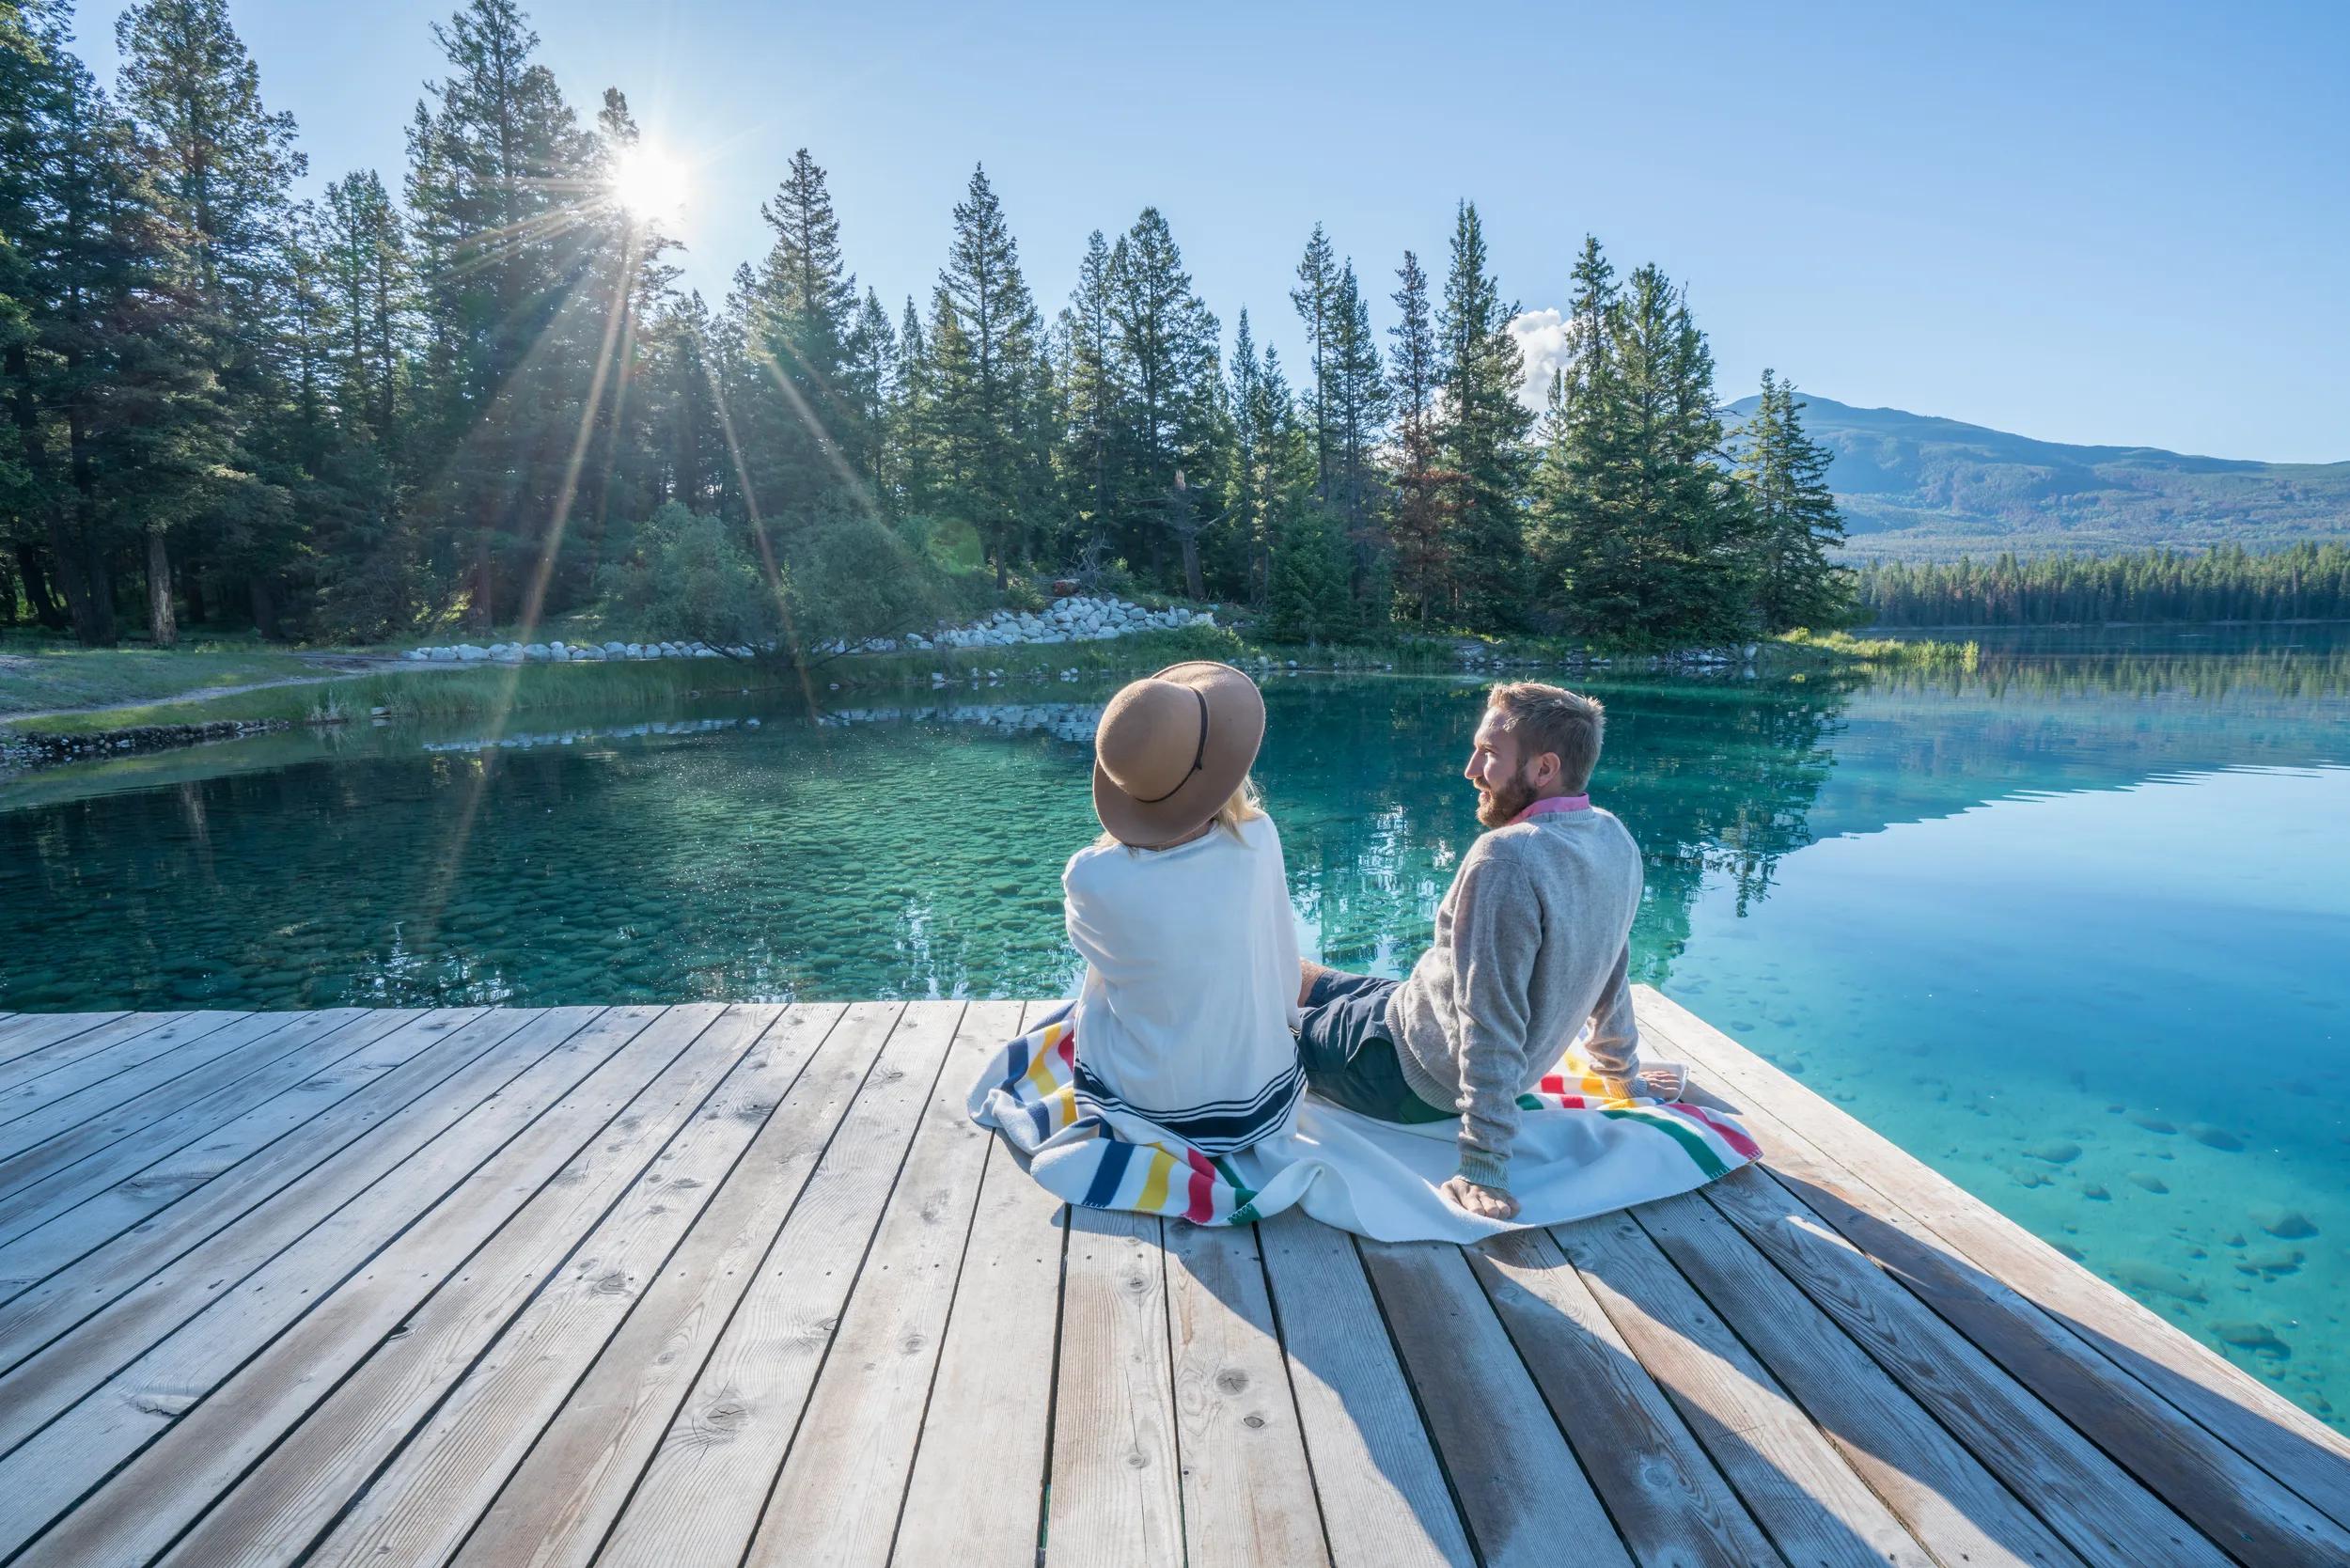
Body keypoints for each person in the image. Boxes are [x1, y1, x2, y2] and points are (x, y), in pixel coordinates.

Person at [1296, 682, 1655, 1221]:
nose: (1470, 769)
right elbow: (1612, 965)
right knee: (1299, 976)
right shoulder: (1612, 837)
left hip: (1401, 1072)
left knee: (1255, 1024)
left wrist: (1483, 1162)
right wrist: (1624, 1078)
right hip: (1414, 1011)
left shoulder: (1507, 859)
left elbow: (1490, 1017)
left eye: (1489, 754)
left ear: (1543, 769)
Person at [1061, 661, 1305, 1155]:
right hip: (1263, 1097)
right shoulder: (1258, 837)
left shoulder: (1090, 876)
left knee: (1101, 991)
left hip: (1154, 1104)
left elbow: (1107, 966)